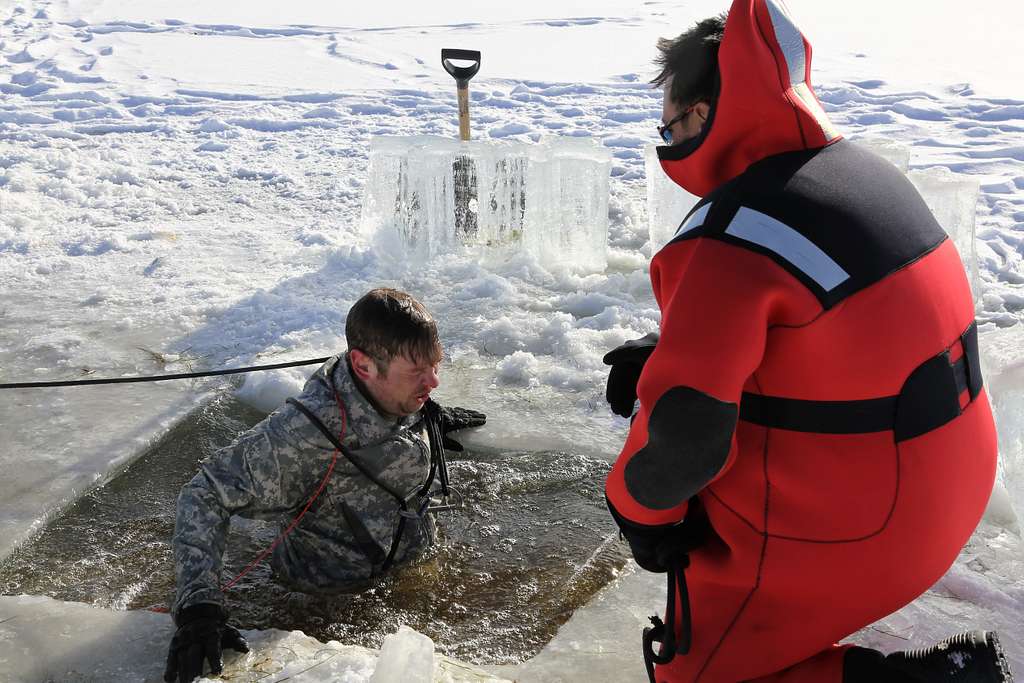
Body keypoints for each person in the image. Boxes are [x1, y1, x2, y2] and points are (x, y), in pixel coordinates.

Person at [603, 2, 1012, 682]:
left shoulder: (728, 234)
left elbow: (684, 442)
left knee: (697, 668)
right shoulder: (859, 172)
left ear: (704, 116)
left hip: (879, 521)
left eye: (671, 125)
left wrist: (638, 512)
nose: (669, 142)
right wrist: (668, 350)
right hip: (957, 480)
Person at [163, 288, 486, 683]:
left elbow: (413, 385)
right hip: (327, 605)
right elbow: (204, 494)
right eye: (417, 372)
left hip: (409, 571)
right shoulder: (303, 434)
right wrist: (199, 608)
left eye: (436, 366)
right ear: (363, 366)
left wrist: (426, 416)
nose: (433, 380)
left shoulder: (392, 387)